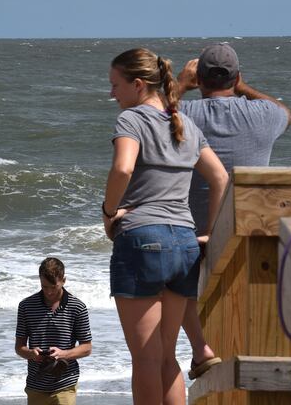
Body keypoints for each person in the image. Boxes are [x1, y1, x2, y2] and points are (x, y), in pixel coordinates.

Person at [102, 48, 228, 404]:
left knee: (145, 359)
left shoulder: (132, 119)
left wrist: (109, 212)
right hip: (184, 243)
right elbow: (220, 177)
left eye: (116, 85)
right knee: (167, 357)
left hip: (142, 240)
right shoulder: (186, 124)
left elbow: (123, 168)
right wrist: (210, 231)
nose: (112, 93)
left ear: (138, 84)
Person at [176, 43, 291, 380]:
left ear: (200, 79)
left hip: (195, 238)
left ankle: (202, 351)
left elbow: (148, 112)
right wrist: (243, 87)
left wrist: (181, 83)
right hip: (250, 238)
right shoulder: (265, 117)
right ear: (236, 77)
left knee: (173, 285)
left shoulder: (182, 115)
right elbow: (283, 109)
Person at [15, 257, 92, 405]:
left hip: (65, 383)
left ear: (63, 280)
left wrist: (63, 354)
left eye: (53, 286)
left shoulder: (77, 307)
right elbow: (19, 347)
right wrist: (31, 354)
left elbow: (87, 348)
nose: (49, 292)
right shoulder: (26, 306)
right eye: (44, 287)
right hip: (35, 384)